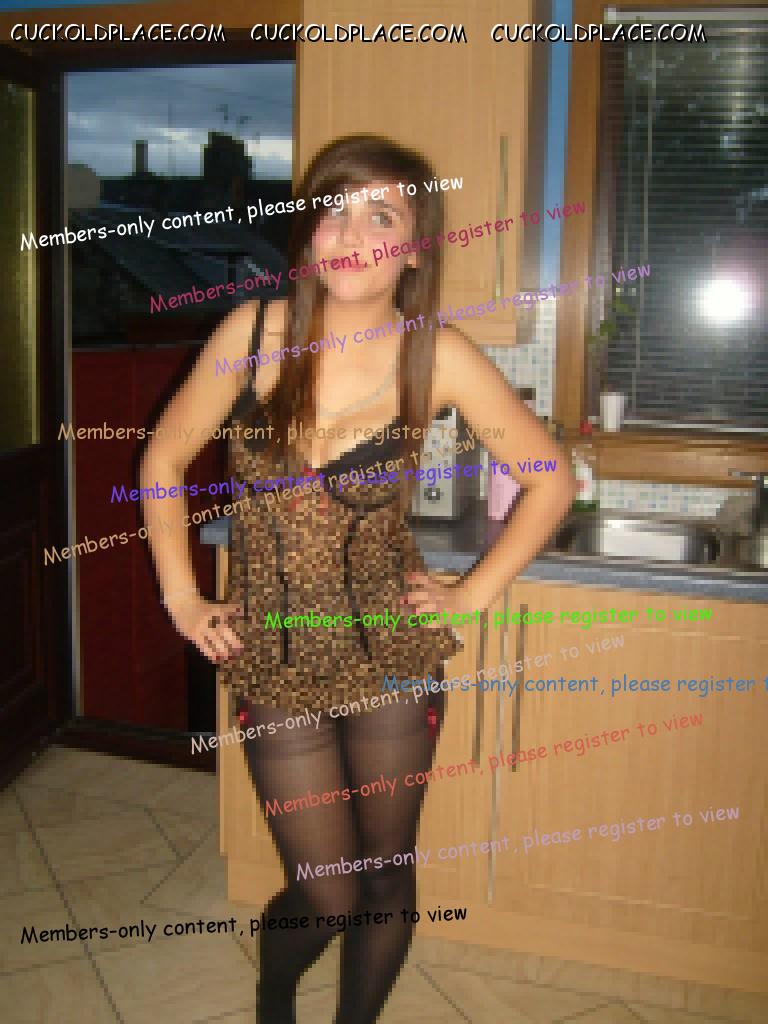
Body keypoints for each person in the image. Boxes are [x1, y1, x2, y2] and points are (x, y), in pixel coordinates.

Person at [140, 134, 575, 1023]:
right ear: (309, 232)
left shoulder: (436, 353)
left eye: (382, 216)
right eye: (335, 211)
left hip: (391, 655)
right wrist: (182, 596)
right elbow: (164, 459)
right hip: (277, 655)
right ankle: (275, 995)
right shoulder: (252, 333)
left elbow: (550, 479)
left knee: (384, 872)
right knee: (326, 889)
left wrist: (471, 593)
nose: (352, 235)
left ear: (415, 247)